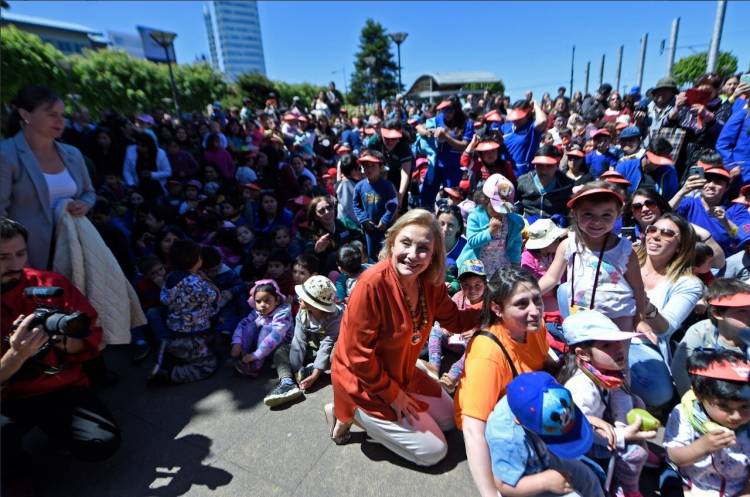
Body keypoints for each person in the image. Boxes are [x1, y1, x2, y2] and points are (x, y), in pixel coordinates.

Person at [327, 209, 481, 466]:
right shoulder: (370, 285)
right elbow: (358, 358)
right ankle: (350, 412)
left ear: (433, 255)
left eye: (423, 248)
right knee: (435, 452)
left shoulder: (429, 282)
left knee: (450, 421)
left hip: (402, 370)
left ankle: (400, 398)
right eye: (406, 243)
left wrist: (491, 309)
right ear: (392, 242)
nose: (412, 255)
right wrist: (393, 395)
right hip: (363, 382)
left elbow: (454, 319)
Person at [0, 218, 120, 481]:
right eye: (3, 257)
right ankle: (18, 472)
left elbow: (90, 339)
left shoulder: (49, 283)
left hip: (62, 385)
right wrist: (17, 355)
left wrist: (63, 339)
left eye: (21, 254)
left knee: (101, 443)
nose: (15, 265)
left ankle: (58, 432)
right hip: (9, 396)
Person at [454, 267, 552, 495]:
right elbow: (473, 428)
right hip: (496, 422)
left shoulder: (534, 326)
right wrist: (489, 493)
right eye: (522, 304)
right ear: (497, 309)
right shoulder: (487, 352)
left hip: (523, 404)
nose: (535, 310)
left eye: (537, 300)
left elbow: (543, 362)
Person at [560, 310, 654, 497]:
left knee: (636, 402)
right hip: (586, 442)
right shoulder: (580, 386)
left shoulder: (608, 372)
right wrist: (622, 436)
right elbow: (579, 426)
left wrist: (623, 426)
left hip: (605, 426)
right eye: (606, 345)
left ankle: (627, 466)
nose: (618, 348)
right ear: (583, 354)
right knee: (636, 453)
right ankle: (625, 489)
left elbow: (620, 397)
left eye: (617, 342)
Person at [0, 85, 96, 269]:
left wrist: (84, 204)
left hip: (75, 251)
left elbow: (89, 192)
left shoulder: (73, 154)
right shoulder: (5, 155)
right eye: (51, 114)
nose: (60, 121)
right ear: (25, 115)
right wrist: (16, 259)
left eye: (62, 115)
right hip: (26, 260)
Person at [539, 182, 646, 331]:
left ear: (618, 214)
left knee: (617, 354)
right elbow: (551, 278)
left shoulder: (624, 251)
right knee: (582, 353)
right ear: (575, 213)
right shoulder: (568, 245)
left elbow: (638, 287)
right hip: (580, 315)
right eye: (588, 214)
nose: (597, 222)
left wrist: (640, 319)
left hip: (618, 317)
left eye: (606, 215)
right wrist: (527, 294)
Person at [483, 372, 604, 497]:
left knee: (589, 479)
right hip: (524, 484)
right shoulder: (506, 438)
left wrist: (589, 423)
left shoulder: (550, 398)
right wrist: (544, 482)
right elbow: (503, 485)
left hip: (543, 457)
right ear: (520, 422)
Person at [629, 213, 703, 409]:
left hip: (643, 343)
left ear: (680, 245)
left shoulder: (689, 283)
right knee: (564, 291)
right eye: (652, 230)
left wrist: (644, 304)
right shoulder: (626, 258)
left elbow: (665, 329)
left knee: (660, 394)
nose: (655, 236)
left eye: (667, 233)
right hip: (608, 331)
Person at [664, 349, 750, 497]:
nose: (736, 416)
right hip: (692, 485)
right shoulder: (686, 414)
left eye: (745, 406)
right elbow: (673, 456)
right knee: (668, 480)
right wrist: (702, 447)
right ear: (699, 395)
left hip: (738, 489)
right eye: (724, 406)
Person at [151, 239, 220, 384]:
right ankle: (169, 374)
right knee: (207, 366)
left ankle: (172, 353)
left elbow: (164, 299)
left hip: (174, 331)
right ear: (195, 260)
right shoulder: (196, 283)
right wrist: (207, 280)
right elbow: (214, 297)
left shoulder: (170, 277)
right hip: (192, 335)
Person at [671, 279, 750, 396]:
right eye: (742, 311)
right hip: (707, 396)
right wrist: (692, 399)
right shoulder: (700, 332)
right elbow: (680, 368)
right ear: (718, 313)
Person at [425, 258, 486, 394]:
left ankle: (452, 376)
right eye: (467, 285)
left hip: (470, 344)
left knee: (478, 344)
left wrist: (476, 332)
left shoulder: (488, 303)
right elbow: (447, 316)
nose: (472, 290)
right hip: (454, 338)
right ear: (461, 285)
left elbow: (492, 327)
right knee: (435, 330)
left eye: (477, 285)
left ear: (485, 284)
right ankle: (434, 367)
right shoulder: (458, 297)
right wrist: (445, 327)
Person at [457, 173, 524, 277]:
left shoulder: (512, 221)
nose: (500, 213)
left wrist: (515, 265)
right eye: (496, 208)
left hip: (500, 266)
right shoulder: (475, 216)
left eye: (505, 209)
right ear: (485, 200)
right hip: (476, 268)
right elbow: (472, 241)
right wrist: (490, 231)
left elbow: (515, 244)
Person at [416, 96, 474, 207]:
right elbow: (419, 127)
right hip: (437, 165)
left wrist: (446, 137)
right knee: (426, 197)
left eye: (449, 110)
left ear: (457, 109)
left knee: (453, 200)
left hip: (455, 168)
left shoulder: (467, 123)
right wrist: (428, 132)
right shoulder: (439, 118)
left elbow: (465, 146)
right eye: (443, 110)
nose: (446, 113)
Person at [287, 275, 342, 395]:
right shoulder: (302, 313)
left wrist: (315, 375)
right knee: (281, 350)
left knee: (335, 357)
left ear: (314, 304)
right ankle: (292, 376)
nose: (299, 298)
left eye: (303, 297)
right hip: (312, 347)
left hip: (329, 349)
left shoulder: (334, 317)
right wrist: (297, 369)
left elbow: (327, 344)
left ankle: (314, 370)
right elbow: (298, 340)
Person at [673, 167, 739, 256]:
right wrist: (682, 192)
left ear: (726, 187)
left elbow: (740, 235)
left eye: (718, 182)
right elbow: (663, 213)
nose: (711, 185)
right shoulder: (688, 203)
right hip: (686, 256)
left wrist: (725, 221)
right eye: (707, 180)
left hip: (720, 263)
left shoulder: (736, 209)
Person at [353, 150, 398, 260]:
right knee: (371, 254)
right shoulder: (359, 187)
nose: (369, 169)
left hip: (385, 228)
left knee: (386, 253)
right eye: (366, 166)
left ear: (380, 167)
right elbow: (356, 205)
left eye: (372, 166)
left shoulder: (387, 186)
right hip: (369, 228)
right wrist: (364, 220)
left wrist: (385, 219)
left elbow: (393, 204)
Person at [516, 144, 575, 226]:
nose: (543, 170)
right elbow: (514, 206)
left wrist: (565, 218)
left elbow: (572, 212)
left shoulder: (567, 185)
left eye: (549, 166)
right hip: (528, 229)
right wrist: (522, 219)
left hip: (555, 230)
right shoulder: (522, 182)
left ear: (557, 165)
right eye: (539, 165)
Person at [304, 195, 363, 274]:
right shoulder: (312, 235)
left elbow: (360, 237)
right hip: (333, 273)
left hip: (353, 264)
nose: (327, 212)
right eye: (321, 211)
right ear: (315, 217)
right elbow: (308, 261)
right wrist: (317, 252)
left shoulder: (344, 222)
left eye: (329, 207)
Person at [364, 119, 413, 210]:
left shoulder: (404, 145)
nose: (390, 142)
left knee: (399, 202)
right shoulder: (374, 142)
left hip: (398, 173)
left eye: (393, 139)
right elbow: (369, 166)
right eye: (386, 138)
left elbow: (405, 172)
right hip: (379, 170)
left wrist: (400, 195)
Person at [500, 98, 548, 177]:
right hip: (504, 174)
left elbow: (543, 120)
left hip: (523, 177)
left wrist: (535, 106)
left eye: (520, 117)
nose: (516, 120)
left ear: (528, 114)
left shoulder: (532, 128)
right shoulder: (505, 127)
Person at [122, 131, 172, 196]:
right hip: (138, 186)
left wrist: (152, 174)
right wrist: (131, 184)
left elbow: (168, 172)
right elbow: (126, 170)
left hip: (157, 188)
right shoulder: (131, 152)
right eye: (138, 145)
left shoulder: (160, 154)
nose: (140, 147)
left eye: (143, 145)